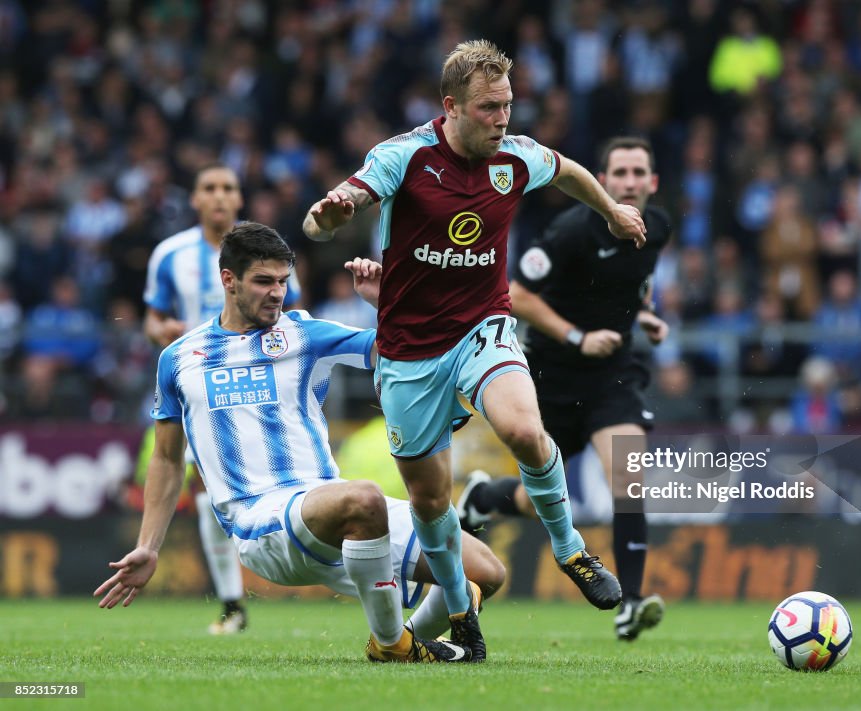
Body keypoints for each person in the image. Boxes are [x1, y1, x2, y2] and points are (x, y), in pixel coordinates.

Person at [303, 40, 644, 658]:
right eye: (489, 108)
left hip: (483, 328)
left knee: (524, 430)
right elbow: (334, 206)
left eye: (508, 105)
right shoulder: (404, 156)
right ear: (451, 105)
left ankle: (571, 551)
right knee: (432, 499)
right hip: (408, 352)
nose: (503, 119)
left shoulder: (515, 158)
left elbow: (568, 170)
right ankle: (461, 614)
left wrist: (613, 209)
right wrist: (331, 214)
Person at [95, 223, 505, 663]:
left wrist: (387, 303)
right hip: (258, 520)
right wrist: (148, 546)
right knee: (364, 496)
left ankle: (400, 641)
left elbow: (406, 350)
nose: (277, 293)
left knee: (485, 570)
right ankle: (393, 645)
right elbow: (167, 459)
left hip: (326, 503)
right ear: (228, 280)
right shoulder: (179, 358)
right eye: (263, 281)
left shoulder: (303, 334)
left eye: (283, 281)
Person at [456, 137, 671, 641]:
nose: (631, 182)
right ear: (604, 180)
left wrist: (644, 314)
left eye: (640, 172)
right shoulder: (572, 230)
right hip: (553, 377)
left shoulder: (657, 227)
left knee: (628, 472)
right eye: (620, 173)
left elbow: (636, 279)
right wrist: (577, 336)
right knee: (542, 501)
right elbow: (520, 295)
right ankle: (486, 496)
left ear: (653, 182)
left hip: (613, 374)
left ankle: (631, 603)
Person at [142, 163, 302, 634]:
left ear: (239, 199)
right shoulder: (170, 255)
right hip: (202, 386)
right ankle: (233, 603)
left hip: (262, 385)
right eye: (208, 188)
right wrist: (163, 332)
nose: (218, 196)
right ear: (194, 200)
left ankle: (293, 564)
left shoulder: (265, 253)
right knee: (208, 492)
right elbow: (152, 318)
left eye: (227, 188)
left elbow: (290, 314)